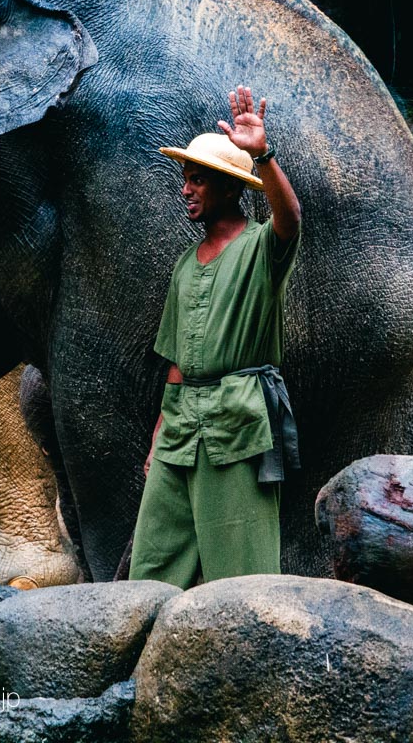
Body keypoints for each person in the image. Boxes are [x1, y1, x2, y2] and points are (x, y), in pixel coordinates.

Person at [129, 85, 302, 587]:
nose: (186, 190)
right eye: (185, 179)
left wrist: (262, 156)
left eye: (198, 180)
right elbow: (178, 359)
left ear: (229, 188)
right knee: (153, 563)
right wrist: (161, 431)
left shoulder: (260, 249)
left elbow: (290, 219)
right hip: (181, 425)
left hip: (237, 420)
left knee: (240, 570)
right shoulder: (186, 263)